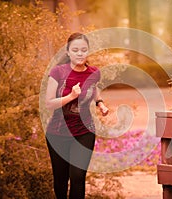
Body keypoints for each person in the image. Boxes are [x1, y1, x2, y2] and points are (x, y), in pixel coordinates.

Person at [45, 32, 109, 199]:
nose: (80, 53)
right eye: (75, 50)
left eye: (83, 50)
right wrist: (70, 97)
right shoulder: (57, 72)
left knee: (78, 178)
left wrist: (100, 103)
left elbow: (94, 89)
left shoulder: (94, 72)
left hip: (84, 132)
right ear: (68, 52)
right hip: (57, 134)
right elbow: (49, 103)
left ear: (88, 51)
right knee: (60, 180)